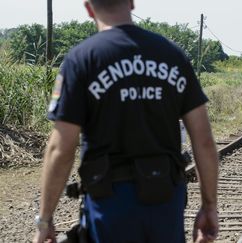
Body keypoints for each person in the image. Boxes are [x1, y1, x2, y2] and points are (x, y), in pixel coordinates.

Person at [33, 1, 219, 243]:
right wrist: (209, 205)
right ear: (131, 2)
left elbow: (61, 149)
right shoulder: (172, 55)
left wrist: (45, 220)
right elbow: (203, 140)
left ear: (88, 8)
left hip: (110, 204)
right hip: (165, 200)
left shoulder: (81, 60)